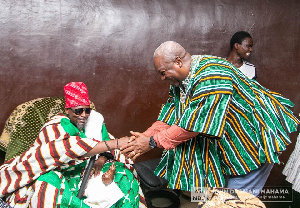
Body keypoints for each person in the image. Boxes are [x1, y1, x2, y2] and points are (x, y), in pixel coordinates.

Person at [121, 41, 299, 196]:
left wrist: (151, 142)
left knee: (233, 201)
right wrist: (142, 138)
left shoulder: (212, 74)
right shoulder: (179, 81)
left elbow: (193, 126)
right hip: (227, 149)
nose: (161, 78)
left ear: (178, 62)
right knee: (211, 197)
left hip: (253, 144)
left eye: (162, 72)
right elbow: (167, 118)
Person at [0, 82, 145, 207]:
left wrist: (101, 160)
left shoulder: (94, 121)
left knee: (125, 175)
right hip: (61, 172)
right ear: (67, 110)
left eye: (86, 110)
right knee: (47, 187)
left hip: (90, 170)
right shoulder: (55, 125)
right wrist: (118, 142)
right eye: (78, 111)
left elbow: (106, 142)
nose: (83, 115)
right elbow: (69, 148)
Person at [226, 31, 273, 194]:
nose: (251, 50)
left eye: (252, 46)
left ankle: (239, 196)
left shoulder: (250, 70)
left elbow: (254, 98)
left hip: (244, 123)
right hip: (224, 122)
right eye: (248, 45)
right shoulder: (221, 67)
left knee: (249, 160)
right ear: (236, 46)